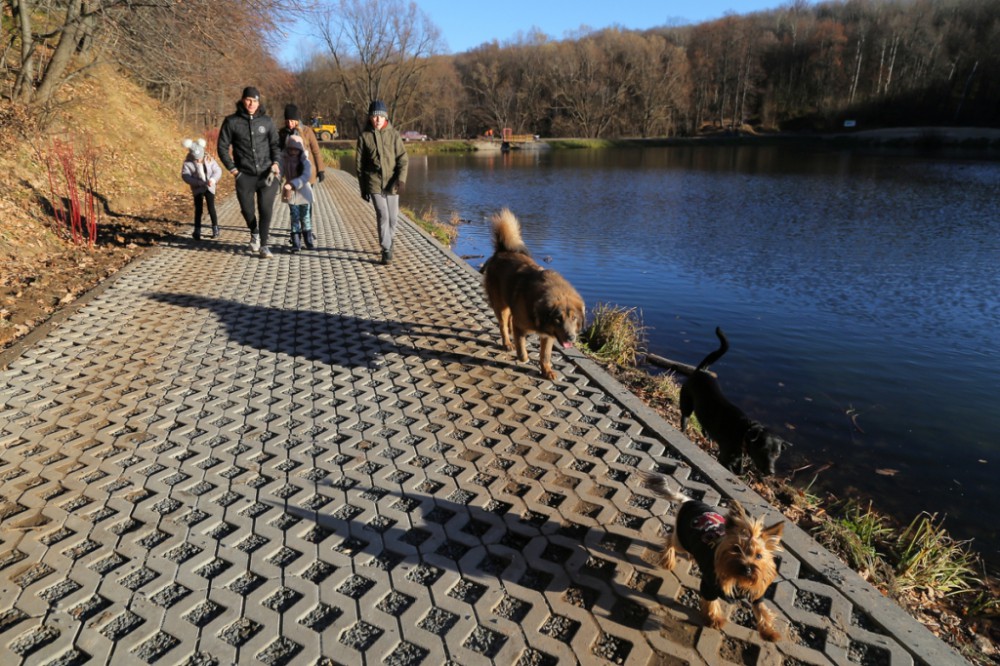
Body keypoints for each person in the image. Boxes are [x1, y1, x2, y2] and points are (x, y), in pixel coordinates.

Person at [217, 86, 281, 258]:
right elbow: (222, 147)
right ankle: (254, 232)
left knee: (265, 208)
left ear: (259, 102)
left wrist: (276, 163)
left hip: (267, 174)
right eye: (248, 100)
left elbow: (275, 144)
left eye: (255, 100)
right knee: (247, 210)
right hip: (244, 175)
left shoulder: (267, 121)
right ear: (243, 100)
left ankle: (264, 245)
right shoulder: (232, 122)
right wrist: (233, 170)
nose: (251, 103)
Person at [356, 100, 408, 265]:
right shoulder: (364, 137)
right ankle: (386, 249)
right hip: (374, 182)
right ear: (370, 118)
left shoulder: (394, 135)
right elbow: (359, 166)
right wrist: (363, 188)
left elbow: (403, 159)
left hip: (392, 182)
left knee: (393, 218)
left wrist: (401, 180)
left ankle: (389, 242)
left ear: (385, 117)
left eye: (380, 116)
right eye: (374, 116)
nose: (377, 119)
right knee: (383, 214)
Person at [278, 104, 325, 248]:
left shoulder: (307, 131)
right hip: (291, 176)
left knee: (306, 205)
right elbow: (279, 154)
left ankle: (307, 232)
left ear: (297, 120)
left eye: (292, 121)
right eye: (287, 121)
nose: (290, 124)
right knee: (293, 207)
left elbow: (316, 151)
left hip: (306, 174)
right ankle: (295, 234)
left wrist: (321, 170)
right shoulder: (282, 133)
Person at [180, 138, 221, 240]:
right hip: (197, 188)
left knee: (211, 207)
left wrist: (213, 179)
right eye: (196, 159)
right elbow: (186, 176)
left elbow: (218, 170)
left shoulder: (209, 159)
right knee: (198, 209)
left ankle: (215, 228)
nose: (198, 160)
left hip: (210, 187)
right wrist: (197, 182)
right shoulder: (187, 163)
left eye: (200, 158)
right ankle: (197, 230)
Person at [279, 134, 313, 252]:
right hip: (291, 193)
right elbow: (280, 172)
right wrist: (275, 178)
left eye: (296, 149)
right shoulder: (284, 160)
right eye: (291, 149)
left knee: (305, 217)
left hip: (304, 192)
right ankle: (296, 243)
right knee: (294, 217)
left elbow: (306, 176)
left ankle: (309, 241)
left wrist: (293, 183)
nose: (293, 152)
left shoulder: (305, 161)